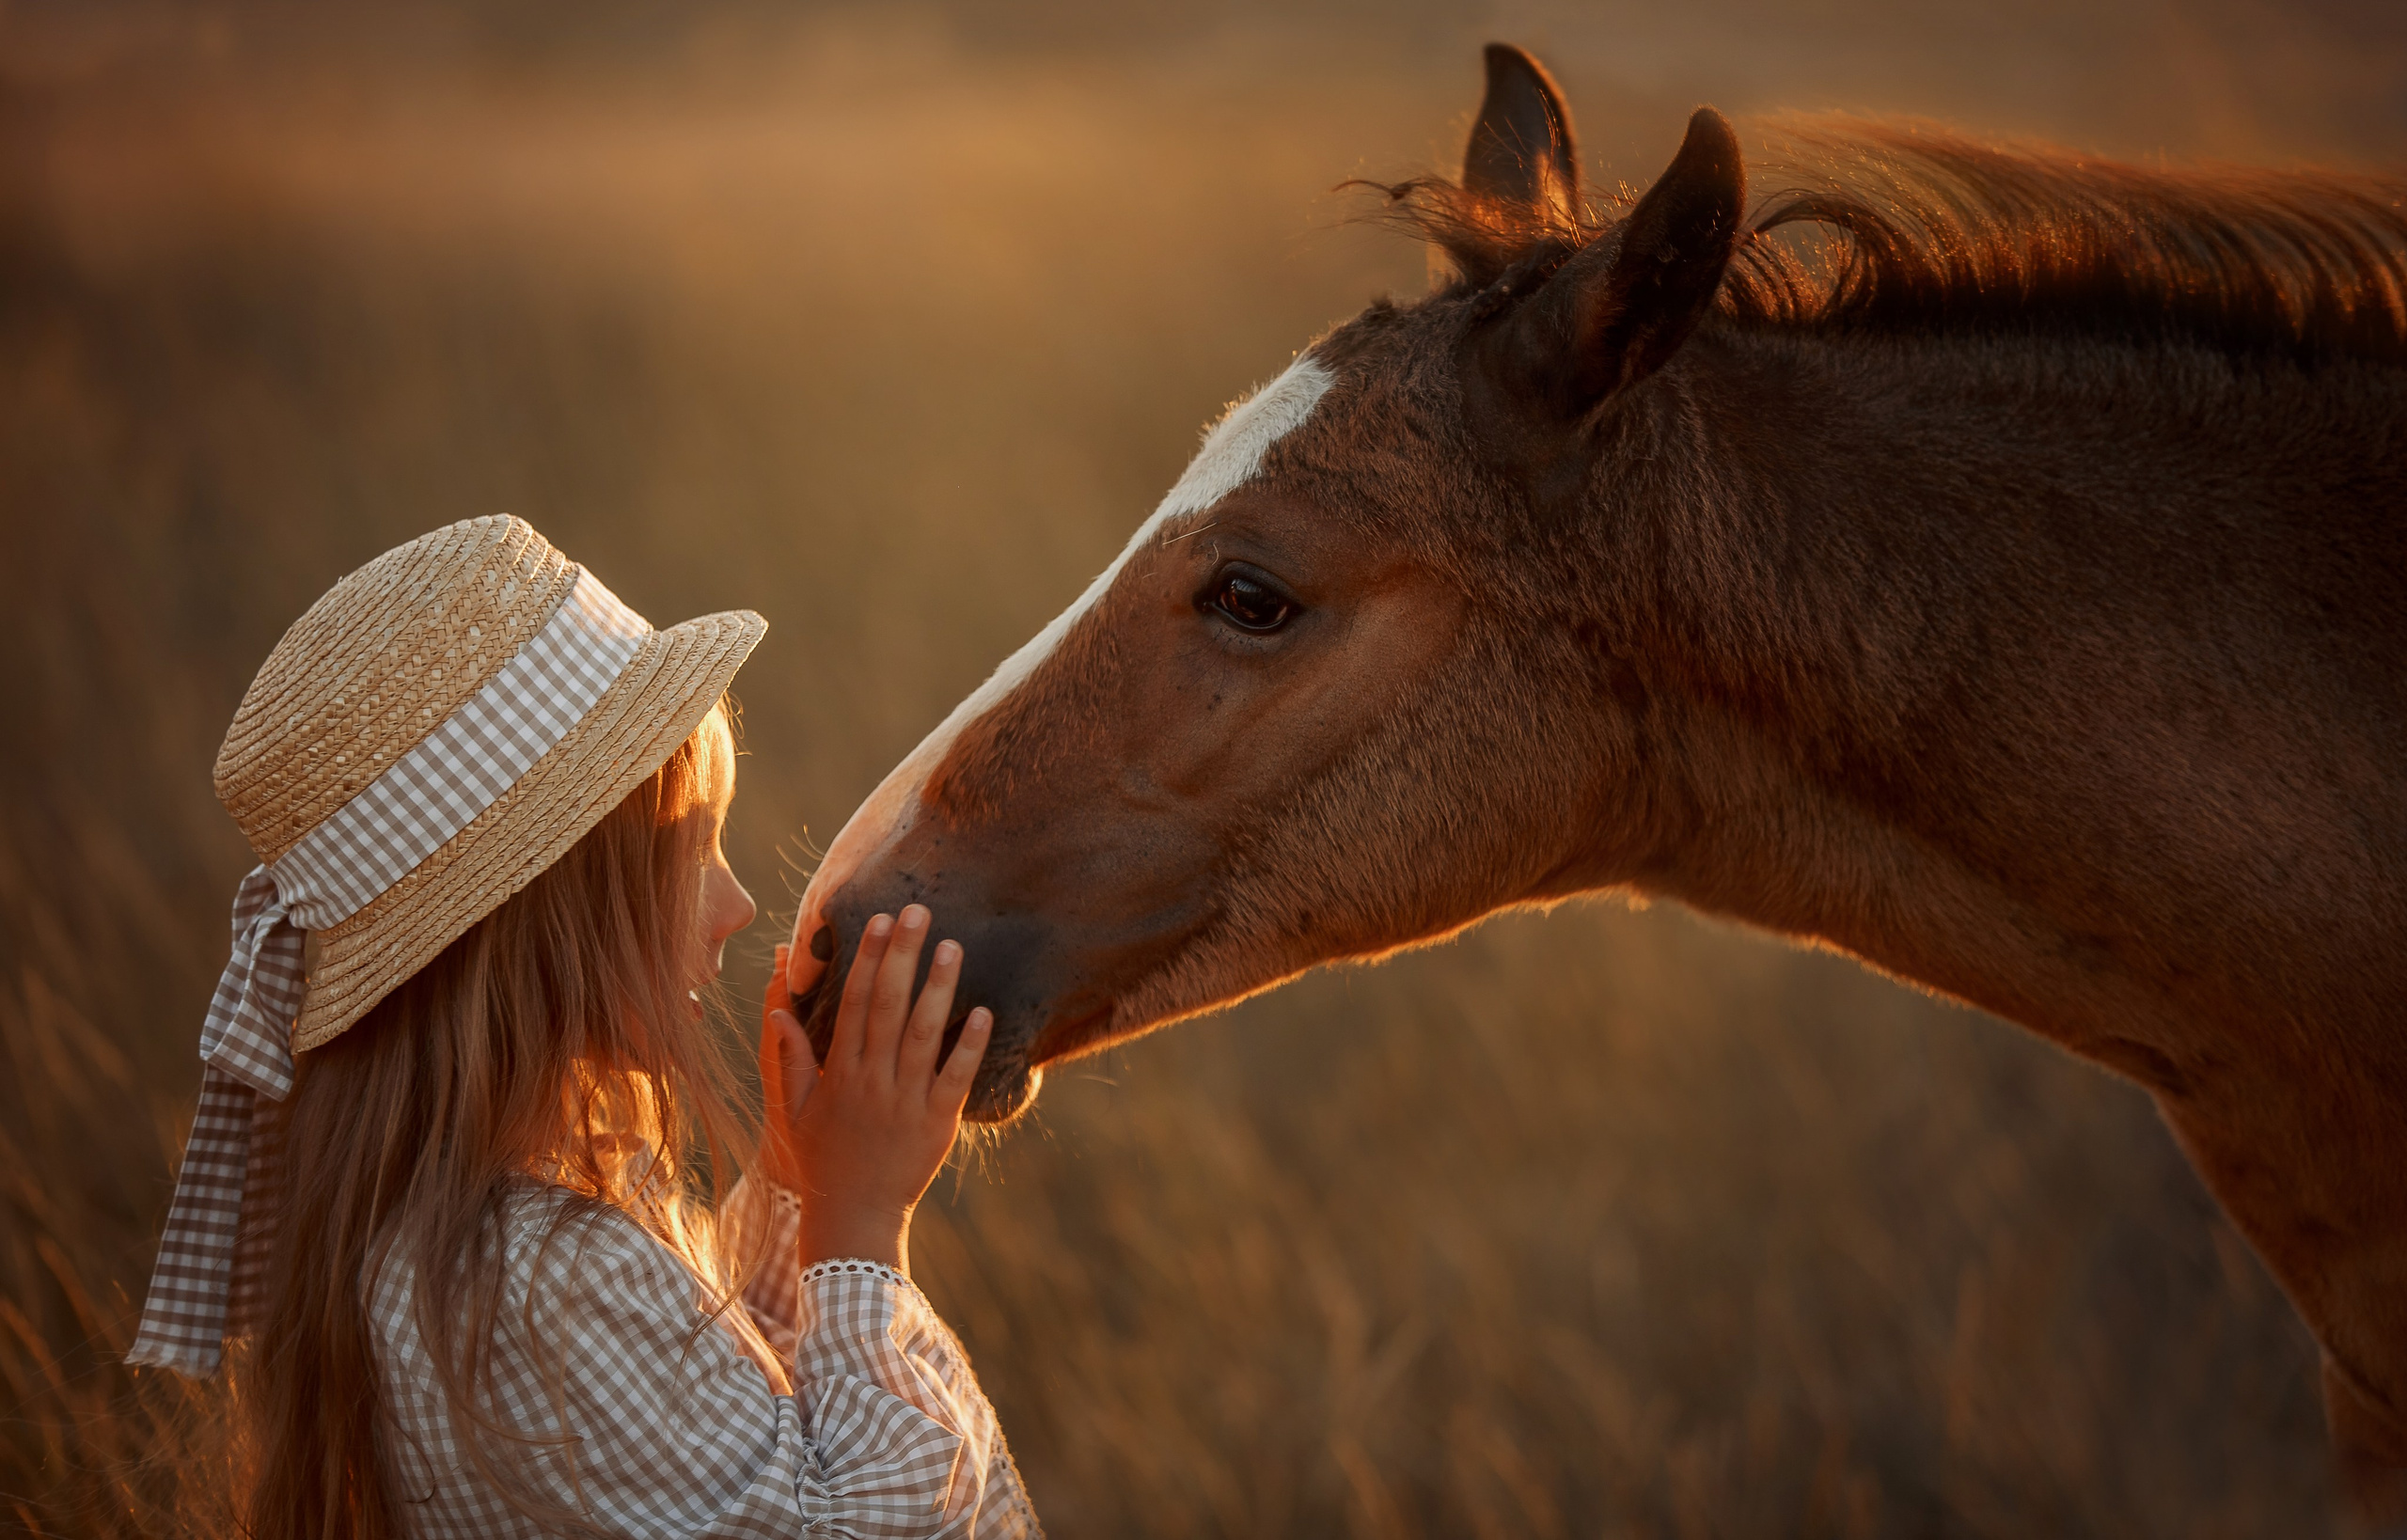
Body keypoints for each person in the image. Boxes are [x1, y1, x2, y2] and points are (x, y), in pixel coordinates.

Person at [126, 515, 1039, 1538]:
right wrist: (862, 1225)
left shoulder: (469, 1248)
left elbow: (724, 1435)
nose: (738, 905)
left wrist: (792, 1182)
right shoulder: (538, 1287)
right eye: (688, 852)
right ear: (546, 925)